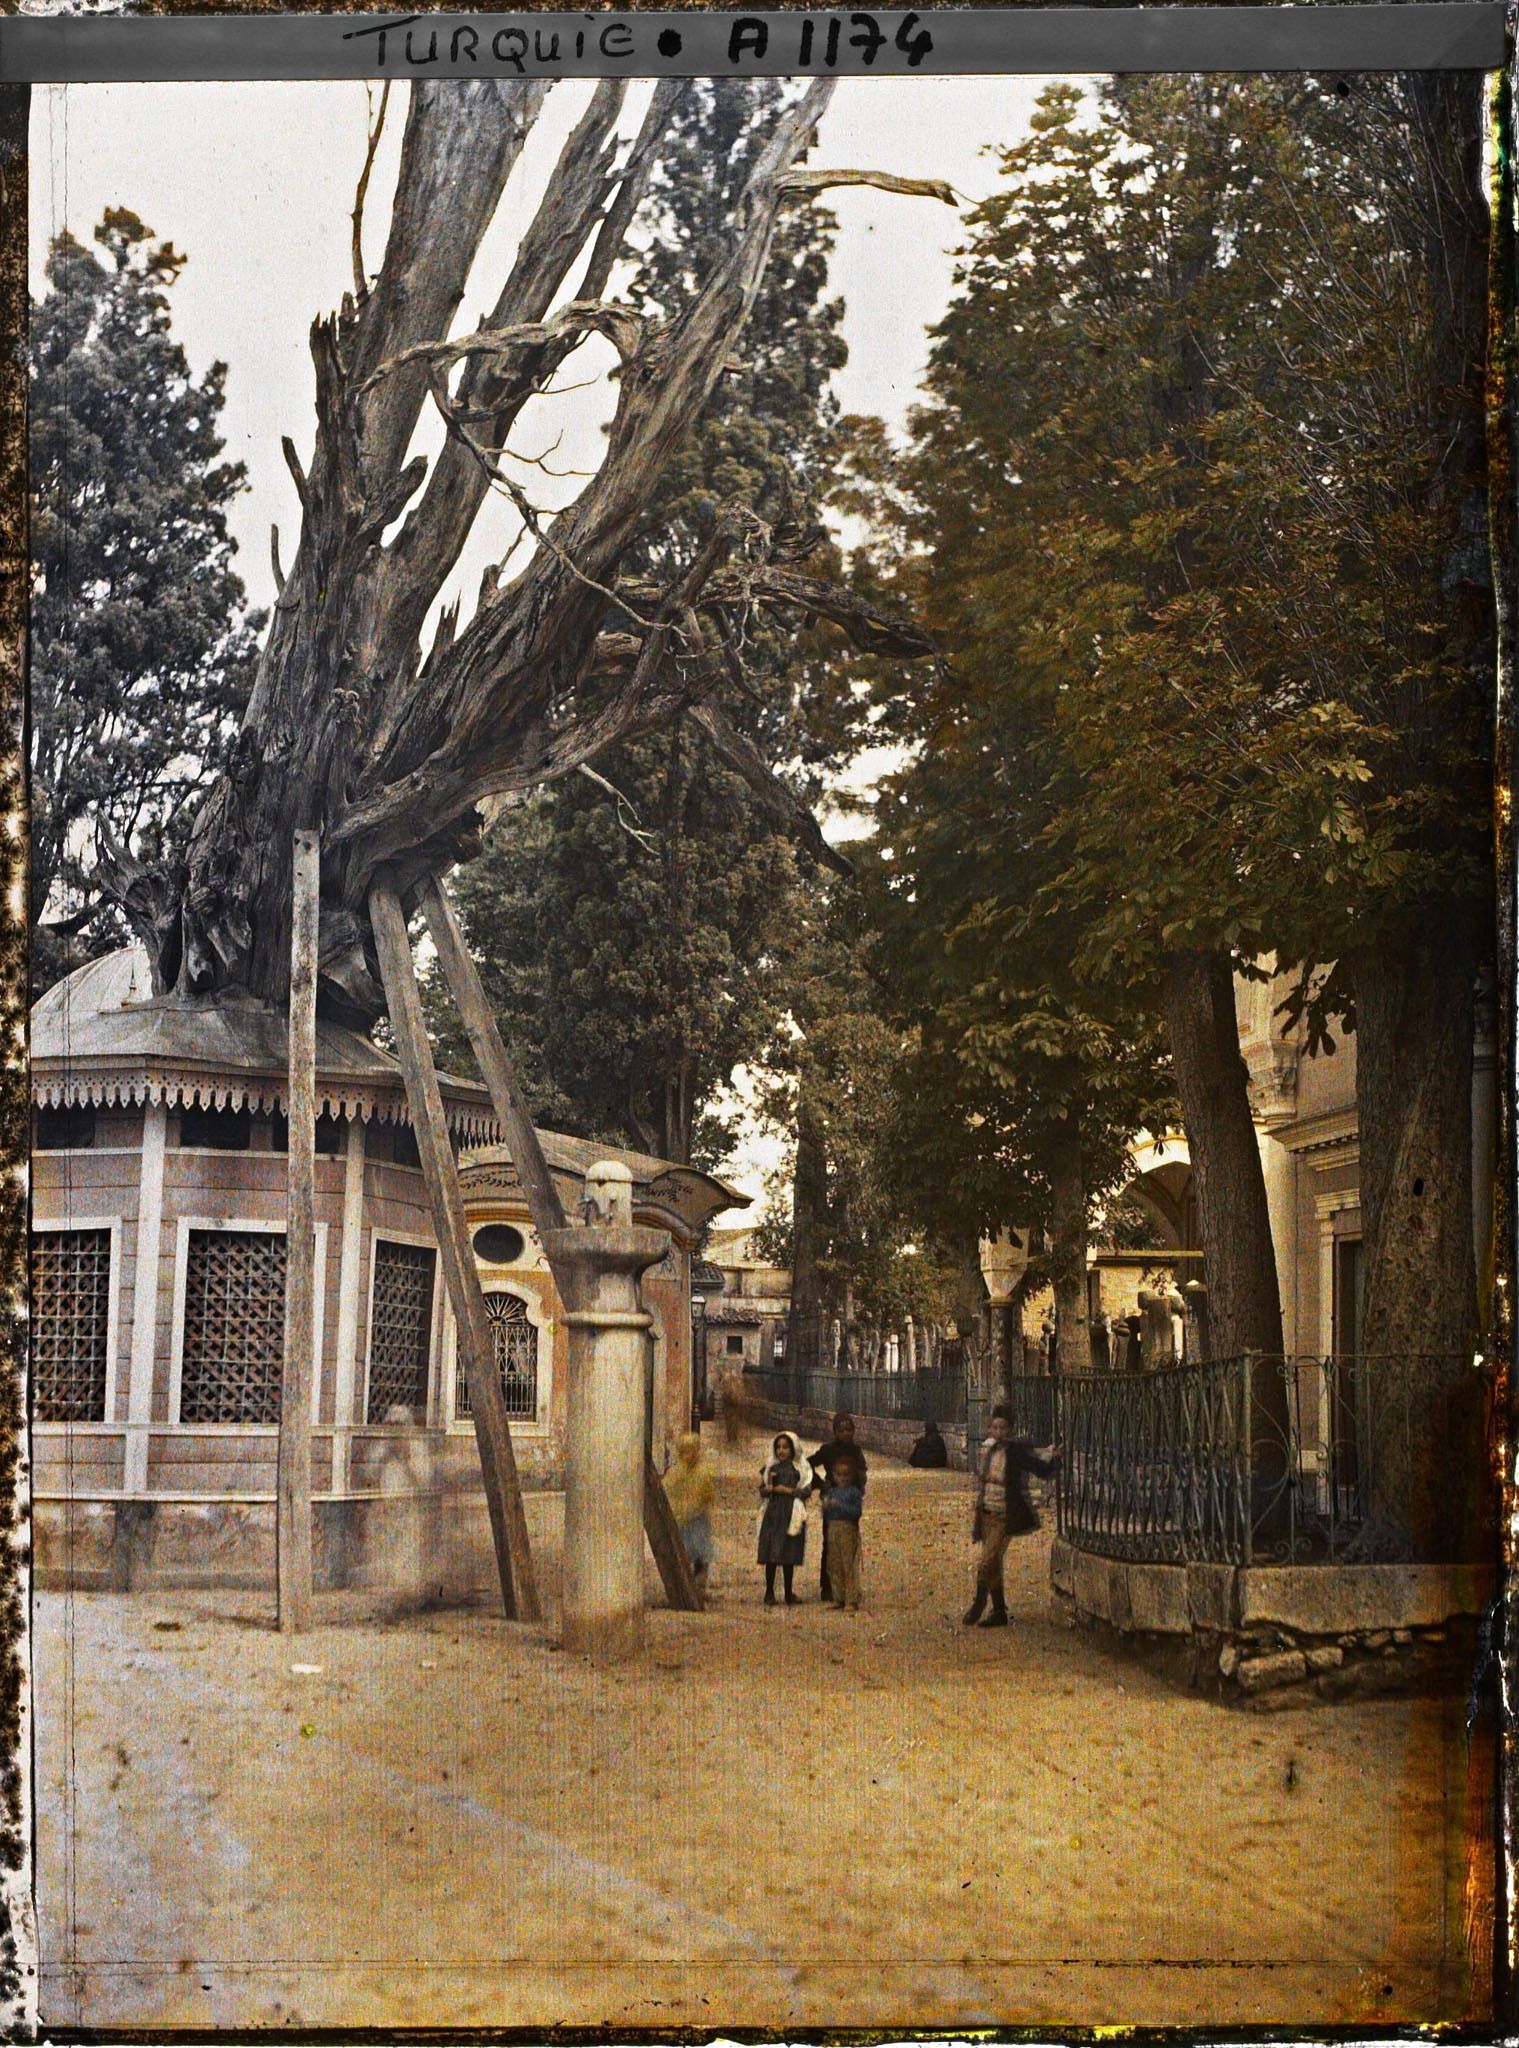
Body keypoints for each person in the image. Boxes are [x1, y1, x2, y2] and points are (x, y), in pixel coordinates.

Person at [963, 1403, 1059, 1628]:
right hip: (986, 1511)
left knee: (987, 1561)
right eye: (995, 1428)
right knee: (994, 1561)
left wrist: (1055, 1459)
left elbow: (1039, 1467)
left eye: (1003, 1428)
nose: (999, 1432)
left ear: (1011, 1429)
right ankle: (999, 1612)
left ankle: (979, 1602)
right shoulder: (989, 1450)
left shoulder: (1015, 1452)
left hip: (1004, 1514)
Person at [810, 1412, 868, 1600]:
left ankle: (848, 1588)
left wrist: (858, 1491)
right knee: (829, 1544)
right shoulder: (828, 1450)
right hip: (832, 1500)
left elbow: (861, 1475)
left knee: (849, 1546)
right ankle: (828, 1587)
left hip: (849, 1500)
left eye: (849, 1429)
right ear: (835, 1431)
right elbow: (806, 1464)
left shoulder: (856, 1451)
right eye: (842, 1430)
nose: (846, 1433)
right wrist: (819, 1483)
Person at [757, 1431, 812, 1605]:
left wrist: (788, 1491)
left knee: (789, 1554)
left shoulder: (800, 1470)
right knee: (771, 1554)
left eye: (785, 1447)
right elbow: (762, 1490)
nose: (781, 1451)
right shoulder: (771, 1469)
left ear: (793, 1449)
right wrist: (771, 1488)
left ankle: (788, 1592)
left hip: (791, 1516)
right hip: (774, 1515)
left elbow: (806, 1490)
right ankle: (769, 1592)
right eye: (778, 1447)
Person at [663, 1431, 717, 1587]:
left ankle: (700, 1583)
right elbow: (668, 1491)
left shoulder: (703, 1472)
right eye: (685, 1452)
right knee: (683, 1551)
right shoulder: (675, 1472)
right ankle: (684, 1582)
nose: (690, 1455)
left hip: (699, 1519)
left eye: (692, 1451)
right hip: (681, 1519)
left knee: (701, 1551)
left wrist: (701, 1505)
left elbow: (708, 1494)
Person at [822, 1449, 864, 1611]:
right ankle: (838, 1596)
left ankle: (851, 1598)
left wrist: (839, 1506)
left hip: (848, 1528)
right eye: (839, 1475)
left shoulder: (854, 1493)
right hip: (833, 1528)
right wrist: (826, 1507)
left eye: (846, 1475)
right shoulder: (832, 1492)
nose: (843, 1478)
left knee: (848, 1563)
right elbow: (826, 1515)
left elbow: (856, 1513)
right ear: (834, 1475)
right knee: (834, 1564)